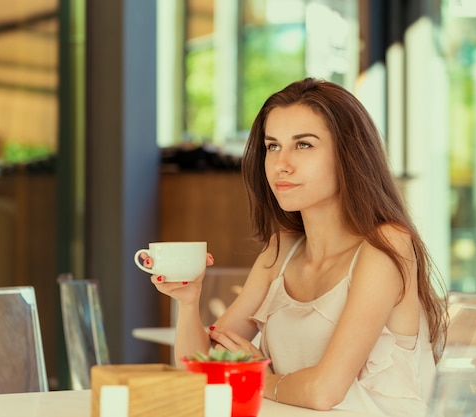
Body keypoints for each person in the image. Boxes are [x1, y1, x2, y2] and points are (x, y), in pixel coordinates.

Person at [142, 77, 448, 416]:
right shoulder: (280, 251)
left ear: (348, 155)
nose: (280, 164)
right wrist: (188, 302)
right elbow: (202, 369)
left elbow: (324, 392)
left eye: (303, 145)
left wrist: (256, 375)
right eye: (273, 146)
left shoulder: (386, 246)